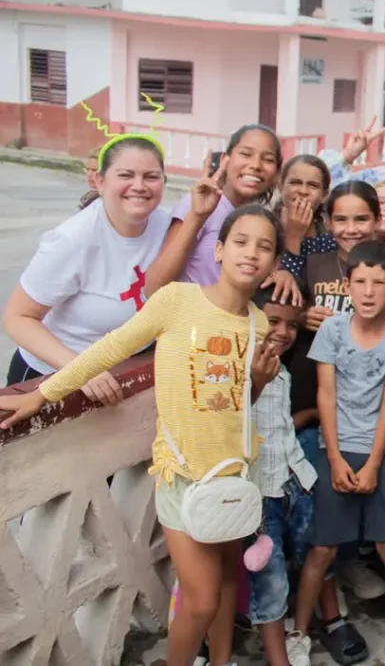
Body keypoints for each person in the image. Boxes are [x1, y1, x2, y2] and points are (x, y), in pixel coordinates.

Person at [0, 205, 285, 666]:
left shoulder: (259, 324)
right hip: (183, 473)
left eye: (264, 246)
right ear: (218, 249)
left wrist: (260, 382)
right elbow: (113, 347)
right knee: (203, 600)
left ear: (273, 265)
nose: (251, 253)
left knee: (229, 576)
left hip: (236, 472)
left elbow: (233, 406)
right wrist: (43, 395)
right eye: (240, 241)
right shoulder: (177, 301)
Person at [291, 241, 385, 666]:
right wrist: (333, 458)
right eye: (360, 282)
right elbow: (326, 394)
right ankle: (297, 633)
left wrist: (374, 463)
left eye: (378, 283)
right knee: (322, 548)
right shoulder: (331, 330)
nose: (368, 291)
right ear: (346, 285)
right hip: (337, 448)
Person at [4, 135, 172, 389]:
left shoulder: (169, 226)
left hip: (125, 372)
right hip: (50, 376)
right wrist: (80, 369)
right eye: (125, 175)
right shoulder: (73, 239)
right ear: (99, 181)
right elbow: (17, 318)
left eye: (151, 176)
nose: (139, 186)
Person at [246, 288, 318, 666]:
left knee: (309, 556)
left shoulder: (284, 370)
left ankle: (301, 631)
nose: (283, 331)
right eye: (272, 321)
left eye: (292, 324)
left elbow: (279, 426)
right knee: (270, 579)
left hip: (295, 481)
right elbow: (235, 422)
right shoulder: (239, 367)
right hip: (259, 493)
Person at [146, 125, 283, 294]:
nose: (255, 165)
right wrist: (197, 216)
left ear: (277, 172)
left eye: (268, 159)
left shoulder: (262, 222)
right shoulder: (199, 203)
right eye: (246, 154)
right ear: (226, 159)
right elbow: (154, 286)